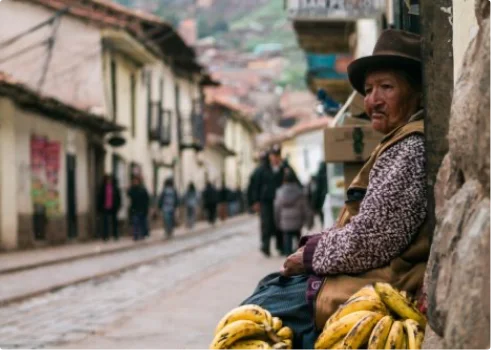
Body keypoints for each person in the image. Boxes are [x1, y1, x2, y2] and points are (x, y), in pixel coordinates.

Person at [240, 30, 430, 349]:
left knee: (261, 312)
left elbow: (374, 239)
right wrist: (316, 244)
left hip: (378, 285)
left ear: (417, 94)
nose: (373, 100)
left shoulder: (409, 148)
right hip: (367, 275)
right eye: (368, 90)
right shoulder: (396, 142)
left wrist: (311, 255)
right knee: (268, 292)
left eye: (387, 87)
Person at [252, 144, 299, 257]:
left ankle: (281, 246)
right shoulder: (261, 170)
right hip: (266, 201)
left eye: (277, 155)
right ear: (270, 156)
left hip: (282, 201)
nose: (275, 158)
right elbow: (255, 186)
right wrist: (255, 201)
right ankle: (265, 246)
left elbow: (295, 181)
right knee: (266, 224)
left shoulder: (285, 168)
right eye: (273, 155)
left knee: (280, 224)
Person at [274, 171, 313, 256]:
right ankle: (298, 257)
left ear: (284, 180)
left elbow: (277, 208)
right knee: (298, 240)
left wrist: (277, 221)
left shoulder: (279, 192)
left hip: (285, 222)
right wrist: (309, 222)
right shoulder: (300, 192)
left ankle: (288, 258)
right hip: (298, 221)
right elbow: (306, 208)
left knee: (287, 240)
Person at [97, 174, 121, 241]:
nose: (109, 181)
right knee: (105, 223)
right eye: (107, 180)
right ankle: (105, 236)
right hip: (105, 207)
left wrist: (118, 206)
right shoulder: (103, 188)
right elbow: (100, 198)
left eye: (110, 179)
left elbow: (118, 197)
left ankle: (115, 235)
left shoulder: (115, 188)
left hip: (113, 207)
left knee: (114, 222)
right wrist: (99, 207)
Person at [127, 175, 150, 241]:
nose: (135, 182)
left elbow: (146, 199)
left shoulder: (142, 189)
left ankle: (142, 235)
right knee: (135, 223)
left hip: (142, 209)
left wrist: (146, 209)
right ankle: (135, 236)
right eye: (134, 181)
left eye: (136, 181)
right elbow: (129, 194)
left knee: (142, 223)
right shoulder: (132, 189)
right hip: (134, 209)